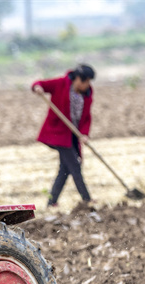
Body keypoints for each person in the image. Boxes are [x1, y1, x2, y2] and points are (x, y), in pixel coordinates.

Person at [32, 64, 95, 207]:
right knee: (75, 165)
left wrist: (84, 134)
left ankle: (51, 201)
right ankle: (87, 200)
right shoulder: (60, 84)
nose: (88, 85)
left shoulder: (87, 95)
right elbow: (39, 84)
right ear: (79, 79)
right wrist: (37, 88)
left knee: (65, 169)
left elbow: (86, 118)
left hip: (72, 136)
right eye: (86, 82)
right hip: (59, 134)